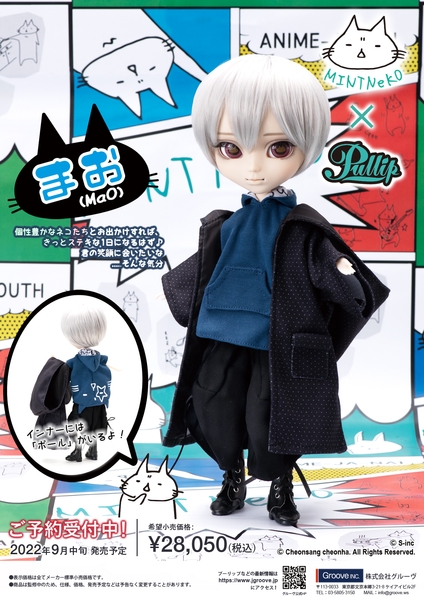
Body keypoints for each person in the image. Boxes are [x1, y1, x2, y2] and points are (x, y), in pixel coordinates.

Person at [161, 55, 389, 525]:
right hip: (223, 333)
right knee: (216, 404)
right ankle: (231, 476)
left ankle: (281, 485)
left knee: (272, 414)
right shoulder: (227, 223)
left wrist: (339, 267)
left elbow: (330, 268)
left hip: (276, 339)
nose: (254, 166)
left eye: (278, 147)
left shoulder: (302, 227)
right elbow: (204, 267)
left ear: (306, 145)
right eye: (231, 148)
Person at [61, 302, 111, 462]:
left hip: (82, 403)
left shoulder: (74, 362)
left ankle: (78, 452)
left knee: (77, 426)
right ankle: (93, 451)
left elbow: (63, 377)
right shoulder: (101, 360)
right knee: (95, 426)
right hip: (99, 402)